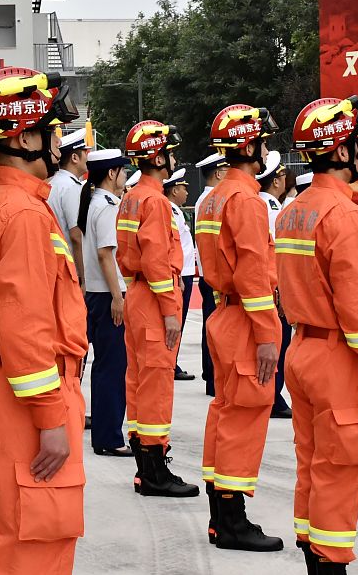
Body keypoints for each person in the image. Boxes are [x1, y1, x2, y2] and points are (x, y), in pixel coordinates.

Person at [0, 67, 88, 574]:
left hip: (7, 389)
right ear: (23, 136)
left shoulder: (0, 205)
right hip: (31, 400)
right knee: (37, 543)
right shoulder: (24, 216)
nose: (59, 141)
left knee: (10, 539)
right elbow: (26, 327)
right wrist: (51, 419)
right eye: (51, 129)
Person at [277, 95, 358, 573]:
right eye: (357, 144)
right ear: (340, 153)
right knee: (341, 471)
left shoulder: (293, 210)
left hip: (302, 349)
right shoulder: (344, 216)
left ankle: (312, 553)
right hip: (338, 357)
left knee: (313, 463)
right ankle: (329, 563)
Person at [195, 105, 284, 554]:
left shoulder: (212, 196)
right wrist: (269, 334)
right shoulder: (246, 199)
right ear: (248, 145)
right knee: (244, 417)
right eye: (262, 142)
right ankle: (232, 521)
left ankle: (220, 515)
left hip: (224, 314)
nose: (265, 149)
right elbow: (252, 271)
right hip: (246, 318)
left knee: (225, 411)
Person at [116, 119, 198, 498]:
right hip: (153, 298)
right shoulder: (155, 202)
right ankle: (154, 471)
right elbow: (156, 260)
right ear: (159, 157)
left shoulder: (131, 197)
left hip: (138, 295)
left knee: (138, 381)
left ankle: (143, 466)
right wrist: (169, 311)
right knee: (156, 384)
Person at [78, 148, 131, 458]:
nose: (124, 176)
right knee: (112, 368)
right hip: (108, 295)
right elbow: (105, 254)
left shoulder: (93, 202)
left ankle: (103, 433)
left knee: (103, 368)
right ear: (112, 174)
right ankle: (110, 437)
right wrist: (117, 297)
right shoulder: (108, 206)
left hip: (94, 294)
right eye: (122, 171)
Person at [255, 151, 292, 420]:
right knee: (279, 344)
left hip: (269, 286)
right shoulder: (272, 208)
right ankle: (275, 397)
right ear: (277, 181)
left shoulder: (260, 203)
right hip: (274, 287)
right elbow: (275, 252)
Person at [194, 153, 227, 397]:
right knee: (213, 329)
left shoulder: (204, 200)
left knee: (211, 328)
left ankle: (211, 377)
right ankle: (213, 377)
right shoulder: (212, 200)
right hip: (213, 277)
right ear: (217, 173)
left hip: (208, 275)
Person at [164, 168, 197, 382]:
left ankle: (172, 361)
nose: (187, 192)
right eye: (184, 188)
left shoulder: (174, 210)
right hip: (180, 275)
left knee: (180, 323)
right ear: (175, 190)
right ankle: (170, 362)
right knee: (176, 323)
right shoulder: (169, 210)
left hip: (183, 273)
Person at [47, 128, 89, 285]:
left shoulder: (54, 182)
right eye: (85, 153)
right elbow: (76, 236)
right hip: (69, 269)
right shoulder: (71, 187)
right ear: (74, 158)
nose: (87, 157)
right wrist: (82, 278)